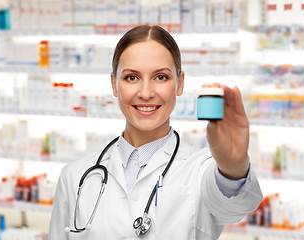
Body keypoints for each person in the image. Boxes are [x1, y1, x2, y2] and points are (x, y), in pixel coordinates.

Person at [48, 25, 263, 240]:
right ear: (114, 84)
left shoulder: (202, 169)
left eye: (160, 77)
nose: (145, 93)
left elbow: (233, 207)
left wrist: (233, 169)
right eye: (132, 78)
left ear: (180, 83)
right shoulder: (74, 176)